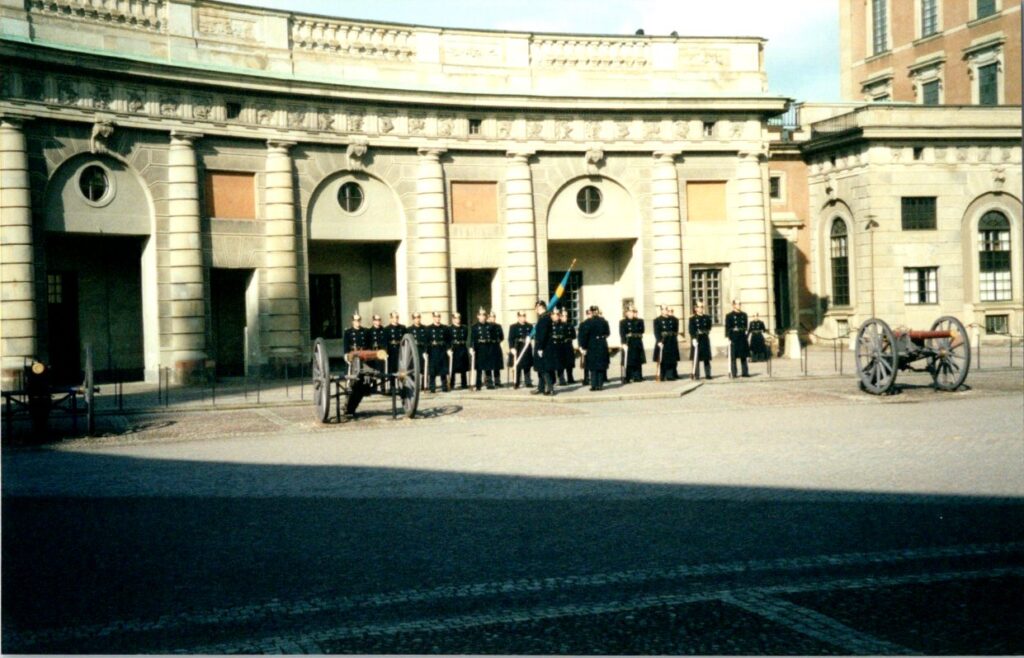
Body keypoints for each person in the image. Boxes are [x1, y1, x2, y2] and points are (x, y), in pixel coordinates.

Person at [581, 305, 610, 390]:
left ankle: (594, 385)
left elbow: (585, 336)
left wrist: (584, 346)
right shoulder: (604, 321)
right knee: (599, 365)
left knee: (593, 366)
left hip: (592, 345)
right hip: (601, 344)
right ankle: (599, 385)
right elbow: (607, 333)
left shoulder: (588, 322)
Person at [531, 300, 556, 395]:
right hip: (543, 346)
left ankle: (550, 388)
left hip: (544, 347)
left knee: (544, 368)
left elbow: (543, 335)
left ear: (539, 307)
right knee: (540, 368)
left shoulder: (544, 319)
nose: (535, 310)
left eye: (536, 308)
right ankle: (540, 387)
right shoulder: (543, 318)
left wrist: (540, 348)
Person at [425, 311, 451, 393]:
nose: (437, 318)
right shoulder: (428, 329)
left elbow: (448, 340)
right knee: (432, 369)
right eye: (436, 317)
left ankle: (444, 386)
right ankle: (432, 387)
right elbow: (426, 341)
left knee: (443, 369)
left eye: (439, 317)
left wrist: (448, 349)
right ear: (433, 318)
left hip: (442, 349)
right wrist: (425, 352)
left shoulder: (445, 328)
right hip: (433, 350)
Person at [619, 305, 646, 383]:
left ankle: (638, 376)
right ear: (626, 313)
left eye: (632, 312)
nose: (631, 313)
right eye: (629, 312)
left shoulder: (639, 321)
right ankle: (628, 376)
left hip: (637, 342)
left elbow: (642, 330)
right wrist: (623, 343)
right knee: (628, 360)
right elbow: (622, 333)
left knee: (637, 359)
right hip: (628, 342)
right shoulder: (623, 322)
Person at [653, 305, 681, 381]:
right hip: (663, 340)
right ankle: (662, 374)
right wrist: (659, 341)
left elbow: (675, 330)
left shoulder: (672, 319)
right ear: (661, 310)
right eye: (664, 309)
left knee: (671, 358)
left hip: (671, 340)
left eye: (666, 309)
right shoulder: (657, 320)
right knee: (663, 359)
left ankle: (670, 375)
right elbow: (656, 331)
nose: (666, 311)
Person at [508, 311, 534, 389]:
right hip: (518, 346)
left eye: (524, 316)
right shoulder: (513, 326)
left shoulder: (529, 326)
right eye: (521, 316)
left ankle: (528, 382)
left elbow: (532, 336)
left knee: (527, 365)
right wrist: (511, 348)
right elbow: (510, 338)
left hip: (526, 346)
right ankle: (517, 382)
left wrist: (530, 338)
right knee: (517, 365)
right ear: (518, 317)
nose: (523, 318)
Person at [724, 300, 750, 378]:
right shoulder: (729, 315)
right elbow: (727, 327)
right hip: (734, 337)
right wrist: (728, 337)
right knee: (733, 356)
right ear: (734, 305)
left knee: (744, 355)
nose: (739, 305)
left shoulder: (744, 315)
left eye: (740, 304)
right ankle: (734, 372)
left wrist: (746, 335)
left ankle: (745, 372)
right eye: (738, 304)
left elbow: (745, 326)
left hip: (742, 336)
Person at [469, 308, 493, 390]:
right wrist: (471, 348)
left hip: (488, 346)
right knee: (479, 367)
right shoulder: (474, 327)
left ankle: (489, 383)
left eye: (484, 315)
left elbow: (493, 337)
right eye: (481, 315)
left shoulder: (489, 326)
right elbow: (472, 338)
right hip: (479, 347)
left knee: (488, 366)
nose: (482, 317)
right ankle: (478, 384)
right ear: (478, 316)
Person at [688, 302, 713, 380]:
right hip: (697, 338)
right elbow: (691, 329)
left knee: (706, 357)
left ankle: (708, 374)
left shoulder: (707, 318)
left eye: (702, 307)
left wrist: (705, 332)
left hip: (704, 338)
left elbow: (709, 326)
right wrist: (693, 338)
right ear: (695, 308)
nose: (701, 308)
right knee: (696, 357)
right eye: (699, 307)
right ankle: (696, 374)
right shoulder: (692, 319)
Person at [383, 311, 406, 392]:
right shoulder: (386, 329)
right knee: (392, 369)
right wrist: (385, 352)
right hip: (391, 350)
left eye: (397, 317)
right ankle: (392, 386)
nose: (395, 319)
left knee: (401, 369)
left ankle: (402, 386)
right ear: (390, 318)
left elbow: (406, 339)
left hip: (400, 350)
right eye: (394, 317)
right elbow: (385, 342)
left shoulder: (402, 328)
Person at [448, 312, 470, 390]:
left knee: (463, 367)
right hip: (454, 348)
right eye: (456, 318)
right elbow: (448, 340)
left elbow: (466, 338)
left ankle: (464, 383)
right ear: (453, 319)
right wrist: (449, 349)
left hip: (462, 347)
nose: (458, 320)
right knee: (453, 367)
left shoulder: (464, 328)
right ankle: (451, 383)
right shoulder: (450, 329)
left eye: (459, 318)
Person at [409, 312, 428, 390]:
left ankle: (424, 385)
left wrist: (426, 351)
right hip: (413, 350)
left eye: (418, 318)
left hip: (422, 349)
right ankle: (414, 385)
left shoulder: (424, 328)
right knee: (413, 368)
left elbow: (427, 341)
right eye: (415, 318)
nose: (417, 319)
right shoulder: (409, 329)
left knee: (424, 368)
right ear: (413, 319)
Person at [551, 308, 569, 385]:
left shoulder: (563, 325)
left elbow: (566, 335)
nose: (557, 316)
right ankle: (553, 380)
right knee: (553, 364)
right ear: (552, 315)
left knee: (561, 363)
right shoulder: (550, 325)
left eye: (558, 314)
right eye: (555, 314)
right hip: (553, 345)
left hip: (561, 345)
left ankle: (562, 379)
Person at [487, 311, 505, 387]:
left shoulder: (498, 326)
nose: (493, 318)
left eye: (494, 317)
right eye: (491, 317)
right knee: (488, 365)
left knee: (496, 364)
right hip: (488, 346)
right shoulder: (486, 326)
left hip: (496, 346)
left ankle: (497, 381)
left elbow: (502, 337)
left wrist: (498, 341)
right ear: (488, 317)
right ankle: (489, 381)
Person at [560, 308, 577, 384]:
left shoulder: (570, 325)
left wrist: (569, 337)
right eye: (563, 316)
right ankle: (561, 379)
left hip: (569, 345)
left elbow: (574, 335)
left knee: (570, 362)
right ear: (560, 316)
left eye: (566, 316)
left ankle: (570, 378)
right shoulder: (559, 325)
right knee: (561, 362)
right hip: (561, 345)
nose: (565, 317)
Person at [578, 308, 593, 386]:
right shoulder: (583, 324)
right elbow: (580, 336)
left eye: (591, 313)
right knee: (586, 364)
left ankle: (593, 378)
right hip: (586, 346)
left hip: (593, 346)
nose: (590, 315)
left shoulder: (594, 323)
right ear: (586, 314)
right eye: (589, 314)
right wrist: (580, 346)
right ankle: (586, 378)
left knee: (593, 363)